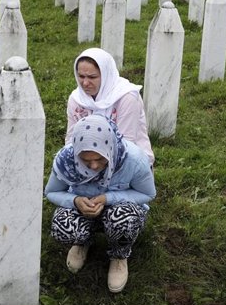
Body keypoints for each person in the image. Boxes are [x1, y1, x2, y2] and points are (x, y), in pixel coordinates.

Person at [46, 115, 156, 293]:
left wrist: (108, 199)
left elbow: (148, 193)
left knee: (123, 220)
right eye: (86, 160)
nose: (94, 166)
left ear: (110, 148)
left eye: (100, 159)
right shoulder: (66, 160)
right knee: (61, 225)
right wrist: (75, 201)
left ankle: (119, 255)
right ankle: (83, 242)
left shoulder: (134, 160)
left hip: (120, 209)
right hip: (83, 208)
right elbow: (51, 192)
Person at [67, 47, 155, 165]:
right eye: (81, 76)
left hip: (130, 165)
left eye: (92, 77)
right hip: (87, 164)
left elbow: (126, 143)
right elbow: (71, 139)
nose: (85, 83)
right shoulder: (76, 99)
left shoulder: (126, 97)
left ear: (106, 74)